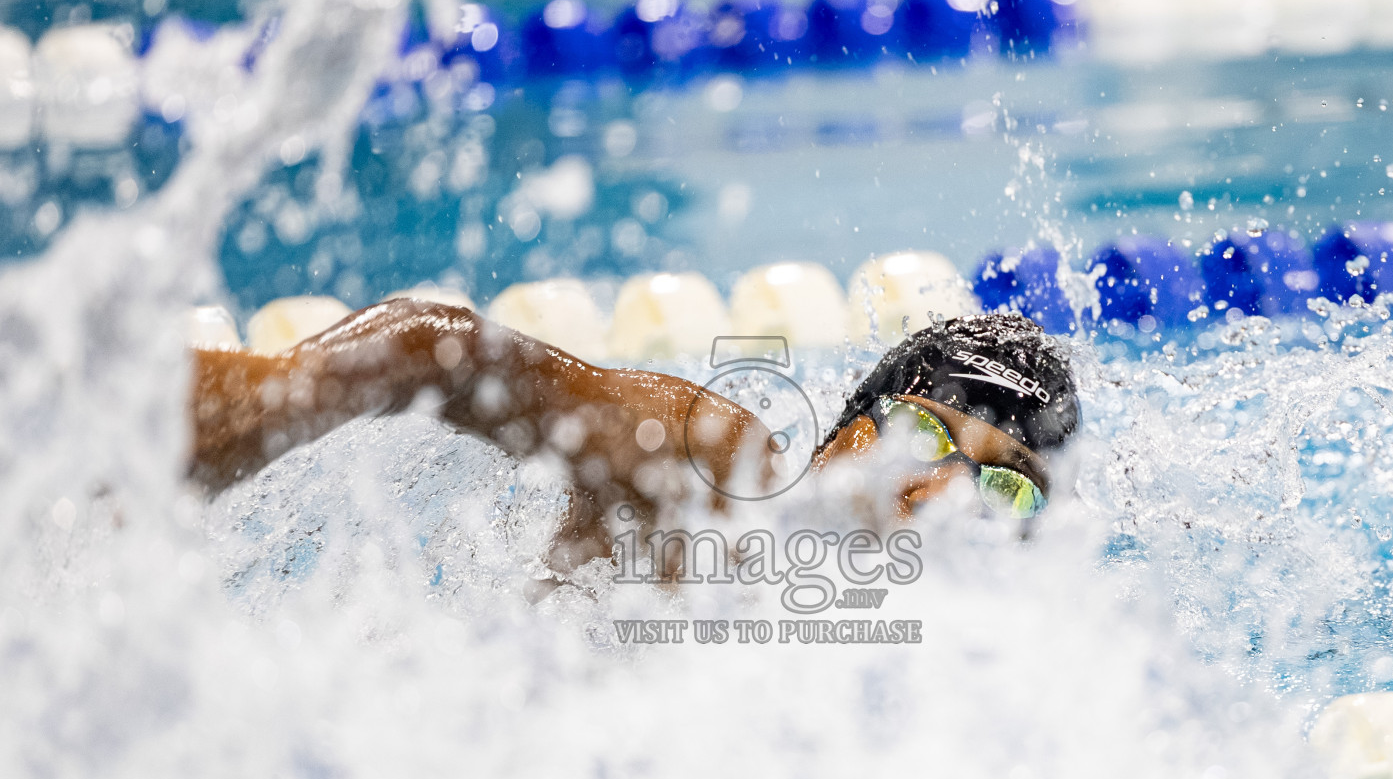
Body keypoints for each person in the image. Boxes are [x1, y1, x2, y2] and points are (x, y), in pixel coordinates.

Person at [188, 297, 1080, 575]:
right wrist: (246, 418)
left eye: (1008, 486)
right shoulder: (717, 471)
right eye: (926, 436)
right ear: (851, 432)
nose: (950, 496)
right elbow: (437, 350)